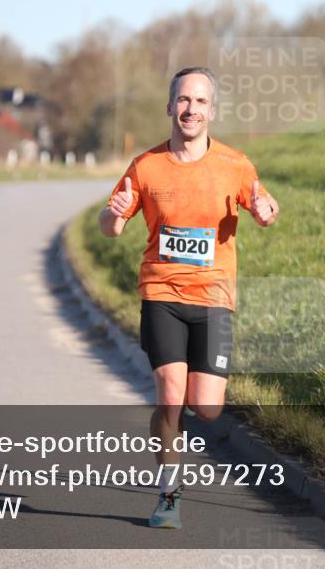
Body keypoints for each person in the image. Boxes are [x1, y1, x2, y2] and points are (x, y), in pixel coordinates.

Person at [99, 66, 279, 529]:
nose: (190, 109)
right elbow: (111, 223)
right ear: (169, 106)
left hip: (214, 297)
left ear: (212, 111)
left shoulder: (235, 165)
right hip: (161, 292)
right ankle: (168, 495)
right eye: (183, 100)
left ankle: (176, 446)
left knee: (208, 406)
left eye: (200, 102)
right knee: (171, 395)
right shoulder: (146, 166)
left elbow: (266, 208)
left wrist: (264, 210)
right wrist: (113, 214)